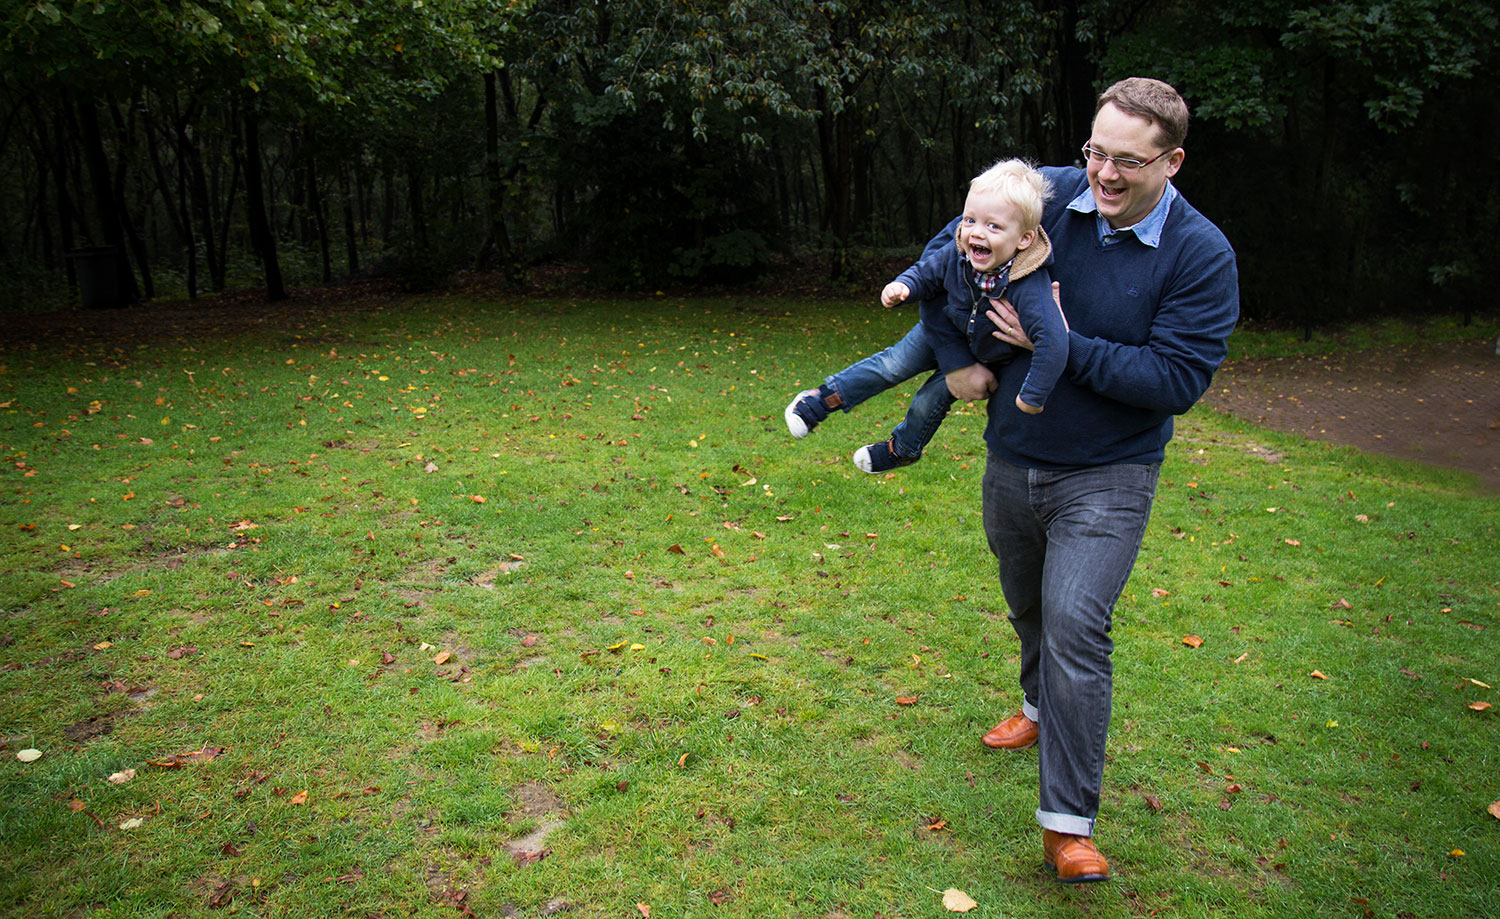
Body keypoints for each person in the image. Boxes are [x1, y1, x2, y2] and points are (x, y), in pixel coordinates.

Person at [930, 78, 1239, 883]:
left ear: (1172, 161)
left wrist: (1055, 342)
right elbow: (955, 242)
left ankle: (1067, 825)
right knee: (1028, 605)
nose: (1101, 174)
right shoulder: (1054, 194)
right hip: (1014, 455)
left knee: (1075, 624)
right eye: (1095, 151)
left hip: (1111, 472)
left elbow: (1175, 378)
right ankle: (1037, 705)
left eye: (1127, 162)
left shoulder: (1201, 254)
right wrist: (957, 356)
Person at [784, 159, 1067, 474]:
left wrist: (1033, 395)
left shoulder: (1030, 283)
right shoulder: (958, 251)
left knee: (931, 399)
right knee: (893, 364)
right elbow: (927, 271)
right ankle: (821, 401)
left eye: (994, 226)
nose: (976, 233)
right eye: (970, 219)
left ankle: (902, 449)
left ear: (1024, 239)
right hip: (946, 326)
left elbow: (1054, 341)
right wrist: (903, 285)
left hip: (985, 353)